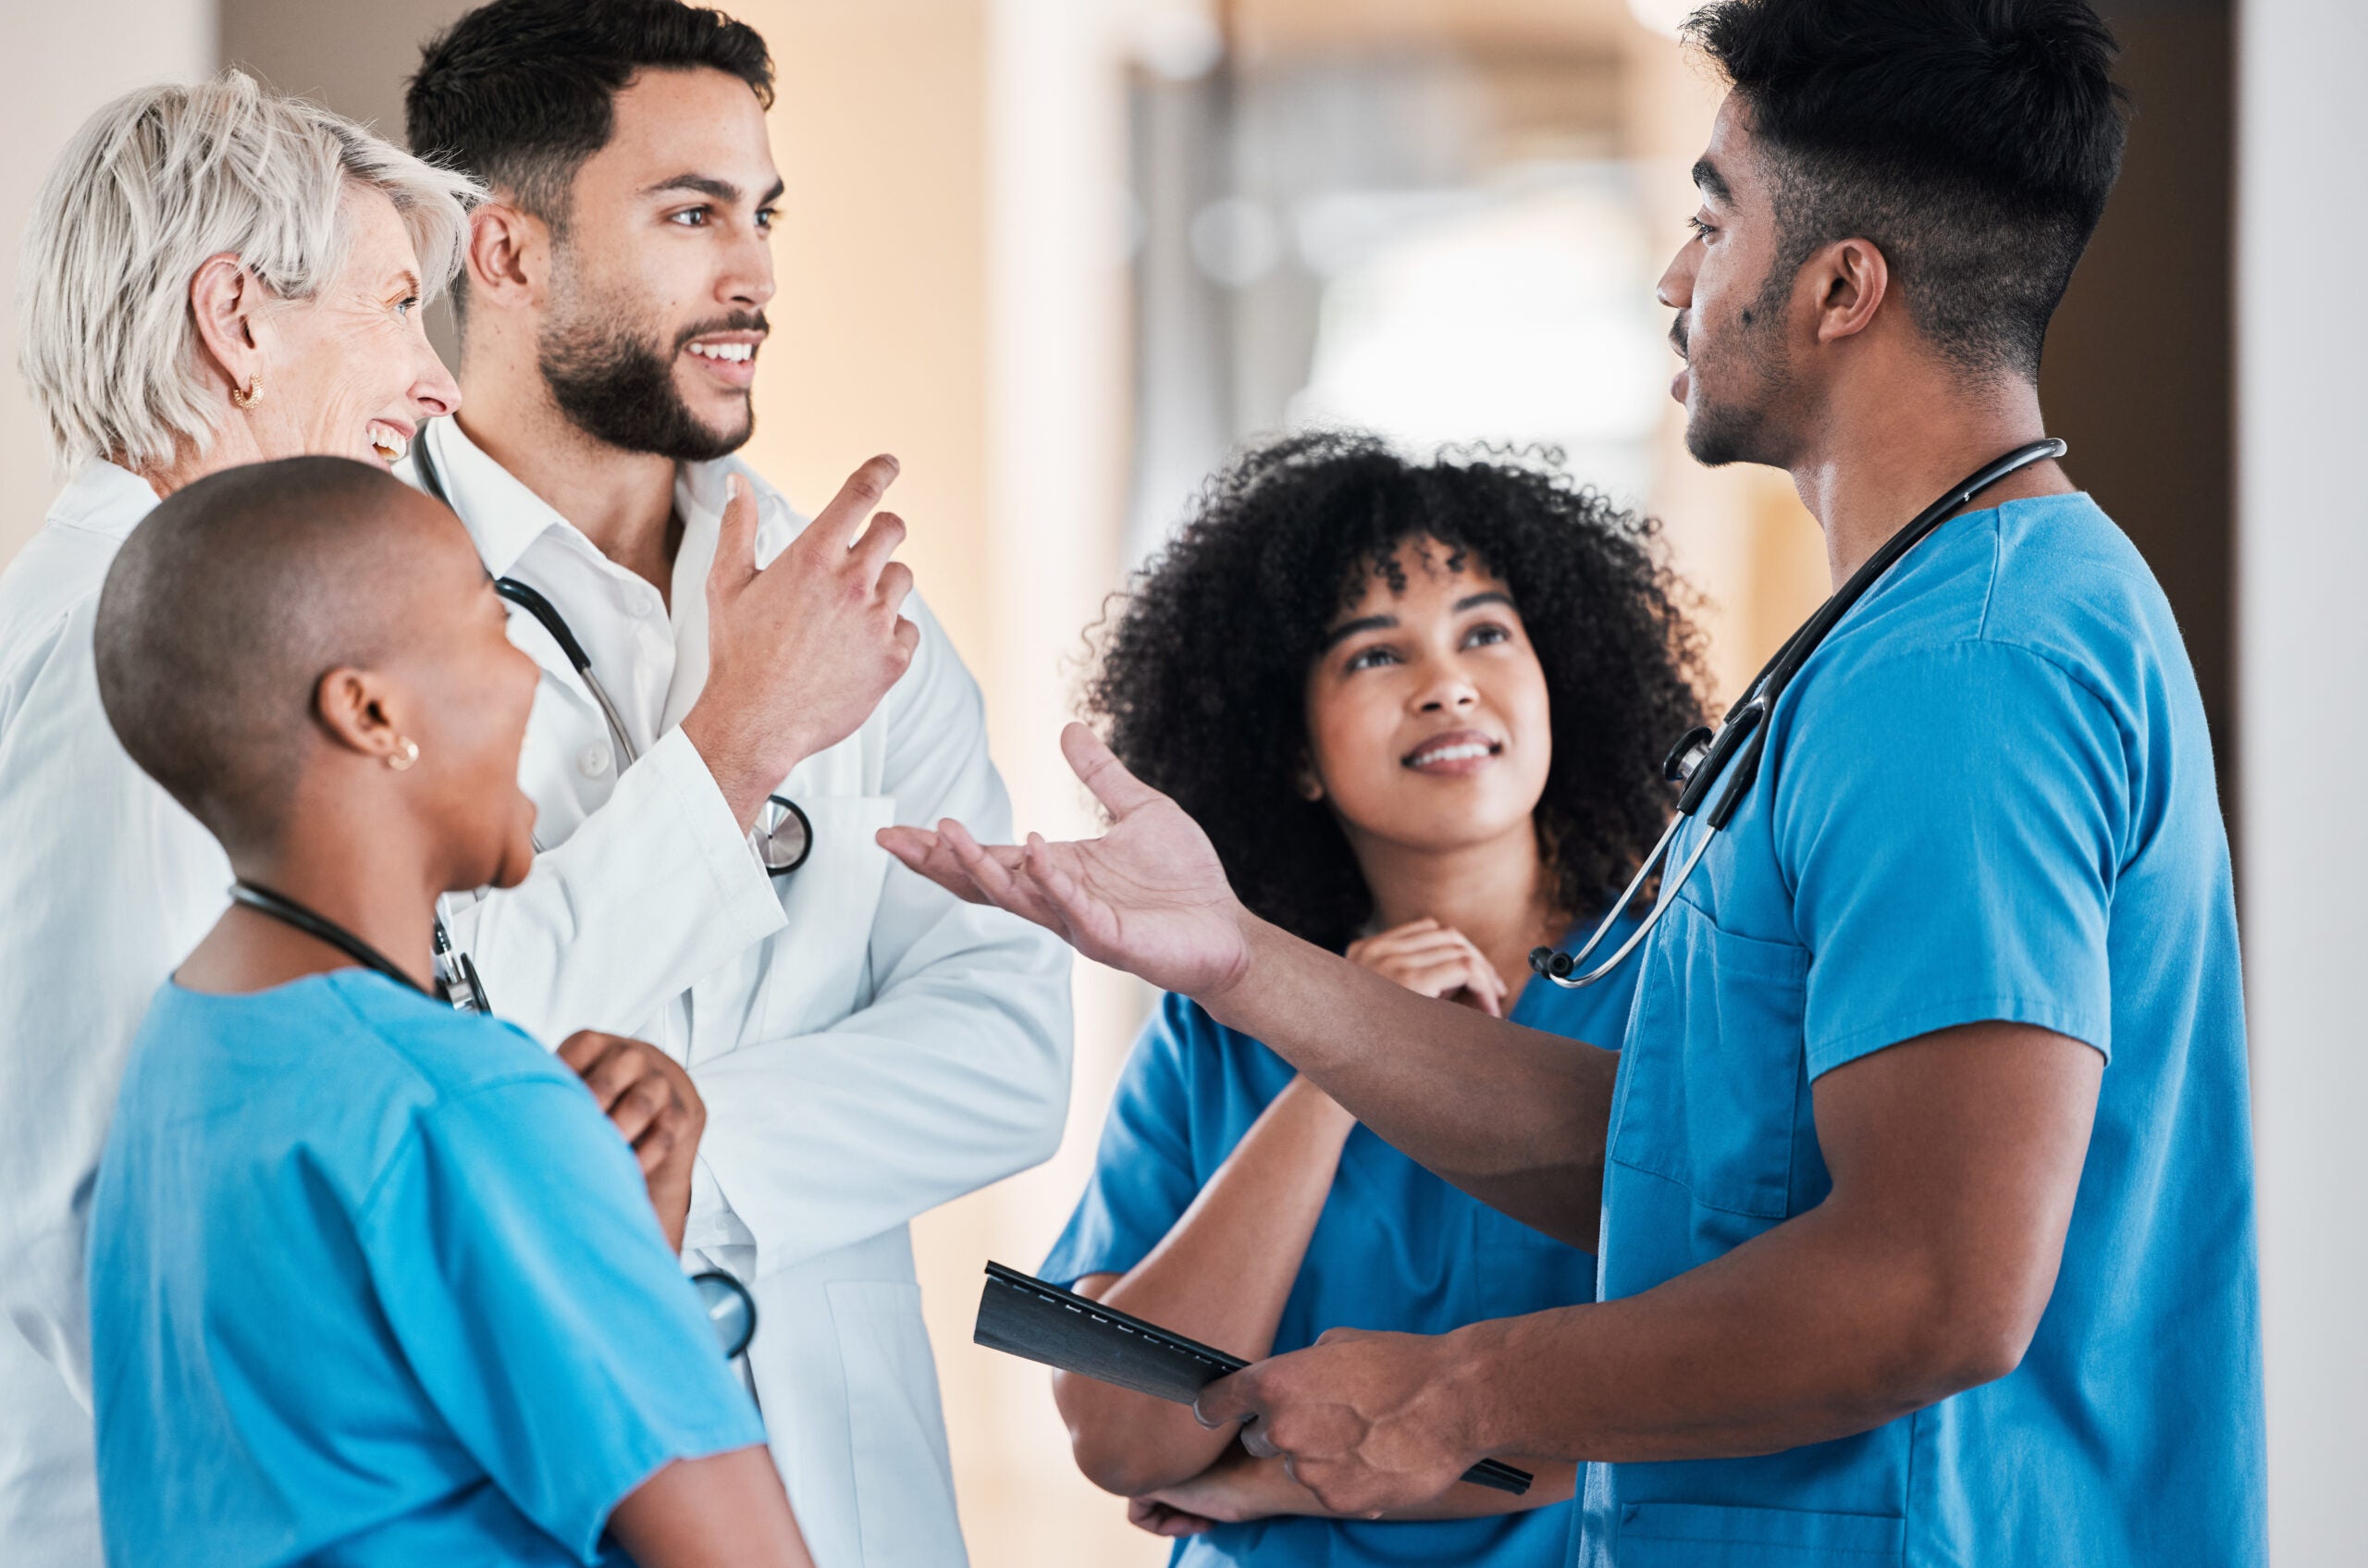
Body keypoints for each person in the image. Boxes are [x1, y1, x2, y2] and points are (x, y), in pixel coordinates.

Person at [883, 3, 2265, 1565]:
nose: (1677, 275)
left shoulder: (1968, 670)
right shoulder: (1903, 648)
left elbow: (1929, 1284)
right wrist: (1241, 960)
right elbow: (1682, 1163)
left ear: (1839, 288)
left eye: (1710, 217)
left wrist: (1455, 1395)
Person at [401, 5, 1070, 1560]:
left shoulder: (844, 596)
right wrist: (734, 751)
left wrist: (710, 1151)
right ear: (503, 252)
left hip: (841, 1500)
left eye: (762, 214)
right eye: (692, 213)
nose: (755, 274)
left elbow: (1010, 1044)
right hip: (508, 1489)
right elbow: (429, 1069)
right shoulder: (356, 607)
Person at [85, 454, 814, 1568]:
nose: (528, 675)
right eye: (492, 625)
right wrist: (563, 1196)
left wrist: (618, 1248)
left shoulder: (184, 1046)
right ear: (371, 711)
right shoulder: (464, 1108)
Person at [1036, 435, 1706, 1566]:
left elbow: (1753, 1380)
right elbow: (1123, 1438)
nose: (1446, 682)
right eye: (1371, 657)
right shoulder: (1213, 1026)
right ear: (1293, 753)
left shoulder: (1688, 982)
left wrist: (1277, 1484)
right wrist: (1333, 1047)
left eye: (1485, 633)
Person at [0, 74, 484, 1563]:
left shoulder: (165, 624)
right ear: (238, 319)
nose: (437, 377)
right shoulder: (121, 655)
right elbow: (64, 1192)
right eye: (396, 305)